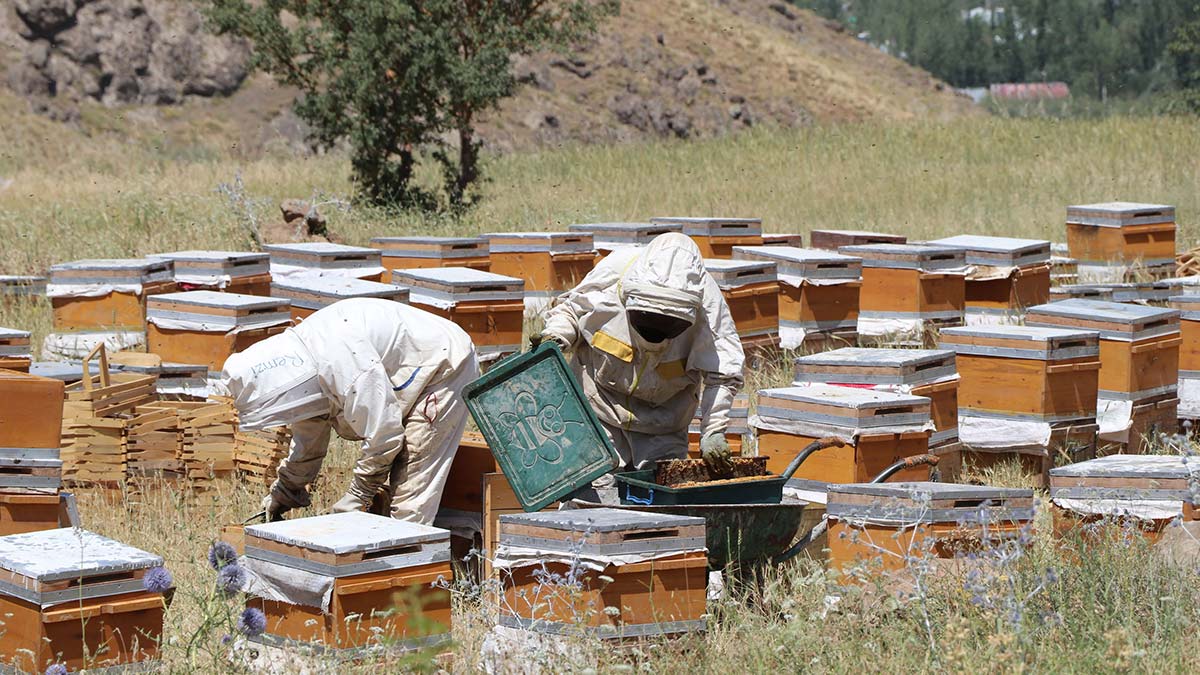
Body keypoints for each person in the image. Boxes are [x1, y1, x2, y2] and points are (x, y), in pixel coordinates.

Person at [217, 298, 480, 524]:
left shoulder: (342, 364)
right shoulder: (302, 376)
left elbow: (384, 435)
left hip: (442, 365)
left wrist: (358, 495)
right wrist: (285, 490)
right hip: (403, 369)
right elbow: (309, 442)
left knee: (411, 489)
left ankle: (410, 563)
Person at [539, 232, 745, 485]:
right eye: (650, 318)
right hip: (598, 411)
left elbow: (723, 374)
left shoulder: (709, 306)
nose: (657, 328)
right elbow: (572, 310)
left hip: (663, 423)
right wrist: (557, 335)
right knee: (590, 494)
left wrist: (713, 431)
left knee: (660, 497)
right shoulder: (615, 272)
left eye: (667, 322)